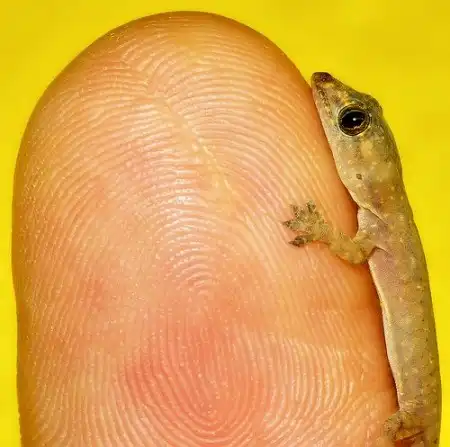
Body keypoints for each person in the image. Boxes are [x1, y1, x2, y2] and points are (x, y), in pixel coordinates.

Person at [12, 11, 396, 446]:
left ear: (370, 174)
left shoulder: (381, 228)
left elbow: (352, 252)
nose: (328, 92)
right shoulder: (383, 222)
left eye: (351, 123)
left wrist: (321, 230)